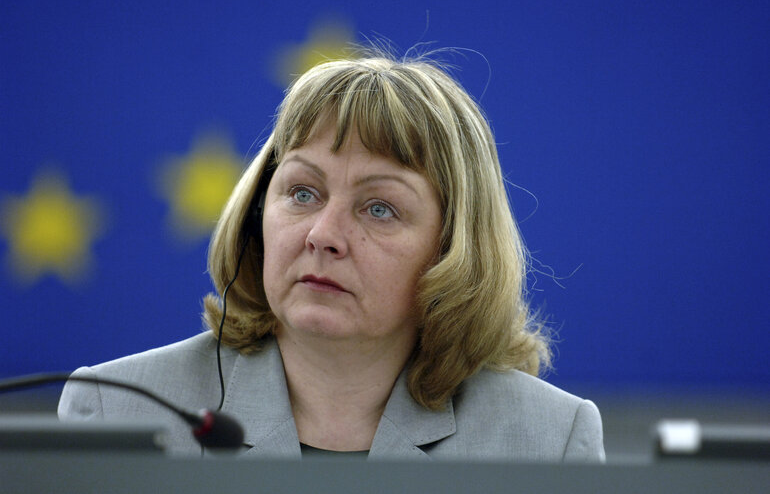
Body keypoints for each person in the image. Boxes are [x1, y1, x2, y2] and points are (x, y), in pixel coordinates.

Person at [59, 53, 605, 461]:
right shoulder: (118, 414)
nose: (324, 234)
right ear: (256, 213)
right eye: (303, 193)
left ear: (452, 249)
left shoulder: (548, 439)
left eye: (379, 208)